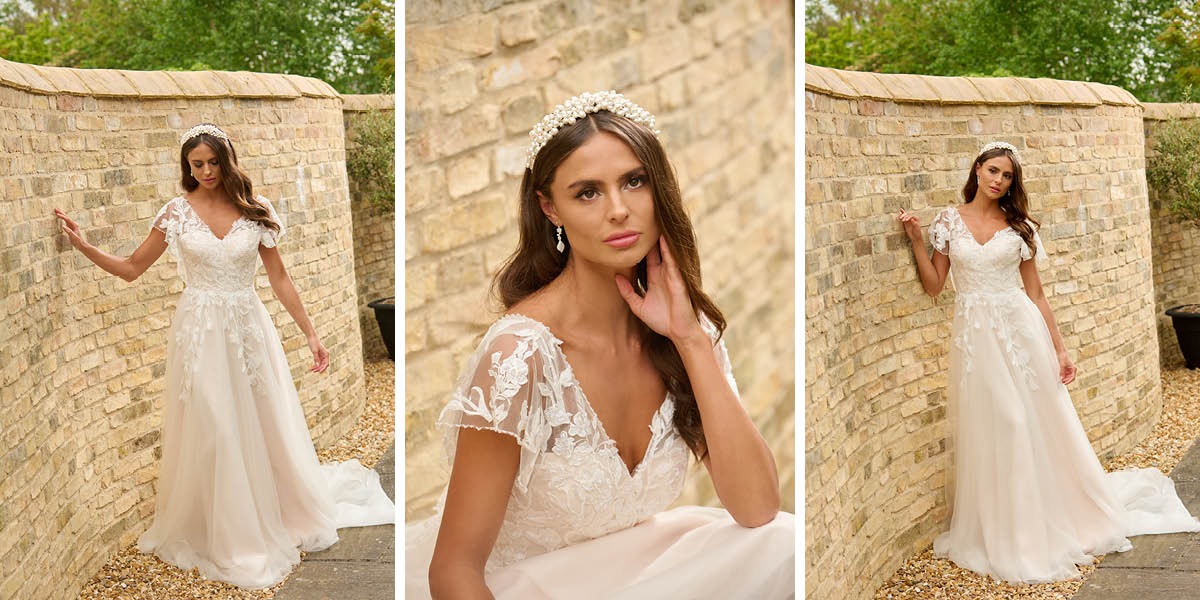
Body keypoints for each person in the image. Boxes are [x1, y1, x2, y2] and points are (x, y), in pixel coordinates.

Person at [404, 91, 795, 599]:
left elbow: (758, 507)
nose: (619, 210)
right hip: (525, 587)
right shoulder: (519, 358)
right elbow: (453, 571)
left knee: (780, 543)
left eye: (634, 181)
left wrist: (691, 342)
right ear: (550, 208)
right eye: (587, 192)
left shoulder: (683, 330)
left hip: (633, 575)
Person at [53, 123, 394, 589]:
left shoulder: (256, 212)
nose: (207, 171)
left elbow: (280, 279)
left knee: (262, 417)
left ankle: (276, 512)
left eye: (214, 162)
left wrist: (312, 334)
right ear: (186, 166)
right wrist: (84, 245)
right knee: (213, 422)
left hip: (248, 326)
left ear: (227, 161)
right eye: (197, 164)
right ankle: (225, 529)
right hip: (198, 330)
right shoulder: (175, 213)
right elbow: (132, 269)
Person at [897, 141, 1200, 584]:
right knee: (999, 426)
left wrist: (1059, 348)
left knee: (1031, 423)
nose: (999, 181)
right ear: (977, 170)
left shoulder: (1018, 228)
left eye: (1007, 176)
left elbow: (1035, 294)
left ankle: (1038, 529)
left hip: (1021, 332)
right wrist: (916, 241)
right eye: (993, 171)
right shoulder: (948, 221)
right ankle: (1008, 529)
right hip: (976, 339)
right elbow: (934, 286)